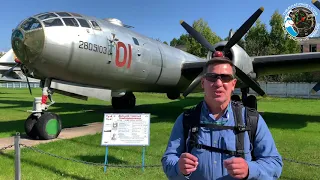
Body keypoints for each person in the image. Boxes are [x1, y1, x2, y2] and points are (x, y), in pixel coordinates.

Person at [161, 56, 283, 180]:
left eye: (225, 77)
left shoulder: (251, 120)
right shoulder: (186, 120)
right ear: (203, 83)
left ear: (233, 84)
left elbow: (274, 163)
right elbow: (168, 159)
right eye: (212, 77)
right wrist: (179, 167)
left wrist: (249, 169)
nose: (218, 83)